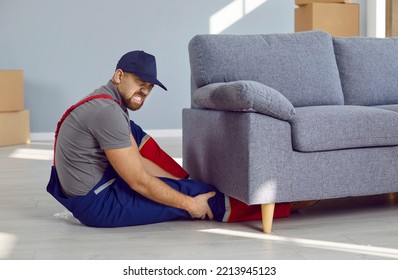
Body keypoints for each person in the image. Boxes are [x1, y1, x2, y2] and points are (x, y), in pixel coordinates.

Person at [46, 50, 291, 227]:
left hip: (91, 188)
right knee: (203, 198)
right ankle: (288, 203)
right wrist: (187, 202)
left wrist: (177, 181)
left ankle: (186, 181)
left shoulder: (105, 101)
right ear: (119, 76)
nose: (144, 91)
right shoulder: (107, 112)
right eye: (139, 82)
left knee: (135, 133)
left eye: (150, 86)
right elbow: (139, 181)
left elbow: (139, 162)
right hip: (99, 204)